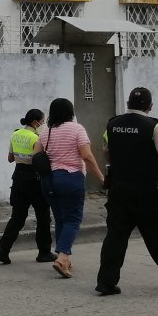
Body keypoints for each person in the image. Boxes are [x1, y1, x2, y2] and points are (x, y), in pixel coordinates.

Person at [95, 87, 158, 295]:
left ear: (128, 104)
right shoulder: (154, 126)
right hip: (148, 190)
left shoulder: (112, 124)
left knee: (115, 236)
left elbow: (107, 152)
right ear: (150, 105)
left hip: (119, 188)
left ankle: (106, 282)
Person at [33, 97, 104, 280]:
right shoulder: (77, 129)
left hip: (48, 181)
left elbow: (36, 153)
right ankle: (63, 257)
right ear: (70, 112)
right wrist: (101, 177)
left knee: (60, 219)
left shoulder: (46, 131)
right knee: (72, 219)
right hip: (70, 178)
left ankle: (64, 258)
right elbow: (87, 156)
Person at [0, 109, 56, 264]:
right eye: (42, 121)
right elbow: (39, 161)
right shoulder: (36, 138)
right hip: (34, 179)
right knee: (43, 216)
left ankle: (3, 248)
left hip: (18, 178)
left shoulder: (15, 134)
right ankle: (44, 252)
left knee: (17, 216)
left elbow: (10, 158)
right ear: (35, 122)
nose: (43, 124)